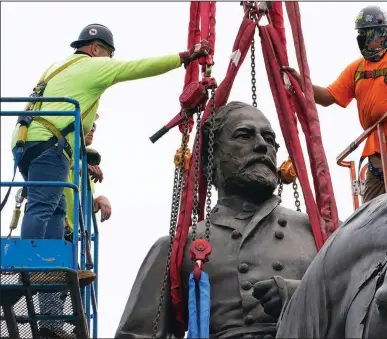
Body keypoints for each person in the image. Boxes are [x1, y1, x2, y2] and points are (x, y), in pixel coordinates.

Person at [10, 23, 209, 338]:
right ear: (95, 49)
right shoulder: (92, 66)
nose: (109, 61)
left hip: (29, 142)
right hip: (51, 143)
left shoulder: (58, 68)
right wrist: (184, 57)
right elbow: (135, 68)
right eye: (107, 55)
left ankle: (46, 273)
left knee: (58, 217)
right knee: (44, 205)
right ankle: (29, 264)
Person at [115, 101, 320, 338]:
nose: (263, 146)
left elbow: (358, 303)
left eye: (270, 139)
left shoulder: (314, 232)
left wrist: (296, 294)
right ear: (210, 158)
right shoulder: (176, 249)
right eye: (244, 135)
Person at [283, 6, 387, 203]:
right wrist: (300, 82)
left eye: (369, 34)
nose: (364, 40)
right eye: (361, 34)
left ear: (385, 34)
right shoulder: (357, 69)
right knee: (370, 213)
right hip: (377, 153)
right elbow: (328, 97)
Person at [63, 114, 111, 287]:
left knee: (65, 293)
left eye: (94, 126)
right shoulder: (63, 150)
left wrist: (99, 198)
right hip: (55, 227)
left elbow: (81, 203)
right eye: (89, 123)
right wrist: (81, 165)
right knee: (51, 291)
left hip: (71, 236)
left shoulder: (85, 174)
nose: (93, 128)